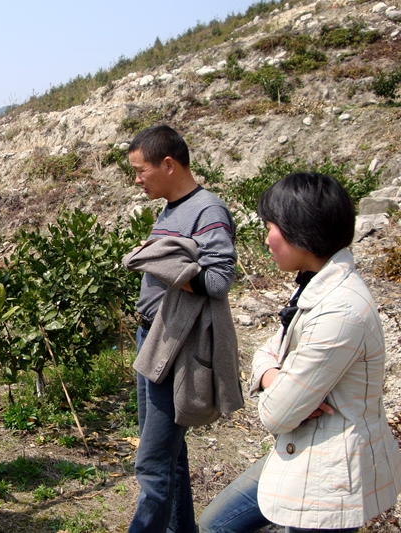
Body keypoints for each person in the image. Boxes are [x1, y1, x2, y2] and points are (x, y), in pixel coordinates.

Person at [198, 172, 401, 533]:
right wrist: (274, 375)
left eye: (270, 226)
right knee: (216, 523)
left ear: (299, 229)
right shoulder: (316, 285)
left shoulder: (340, 310)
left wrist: (276, 387)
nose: (266, 239)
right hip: (301, 449)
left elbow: (276, 414)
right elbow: (267, 351)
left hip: (329, 473)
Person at [122, 125, 241, 533]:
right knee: (169, 457)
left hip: (174, 347)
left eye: (140, 170)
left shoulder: (207, 210)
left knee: (152, 463)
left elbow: (219, 279)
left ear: (168, 164)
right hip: (153, 339)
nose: (136, 179)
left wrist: (164, 266)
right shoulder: (172, 208)